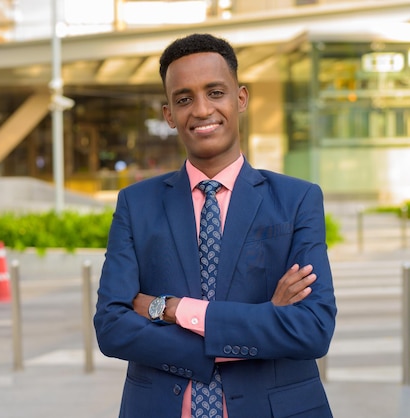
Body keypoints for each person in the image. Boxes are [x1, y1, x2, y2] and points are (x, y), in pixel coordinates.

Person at [93, 33, 336, 418]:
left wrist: (174, 310)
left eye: (215, 92)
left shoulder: (297, 200)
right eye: (184, 99)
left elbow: (312, 328)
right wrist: (257, 324)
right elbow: (111, 327)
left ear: (240, 99)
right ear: (169, 115)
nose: (202, 109)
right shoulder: (136, 204)